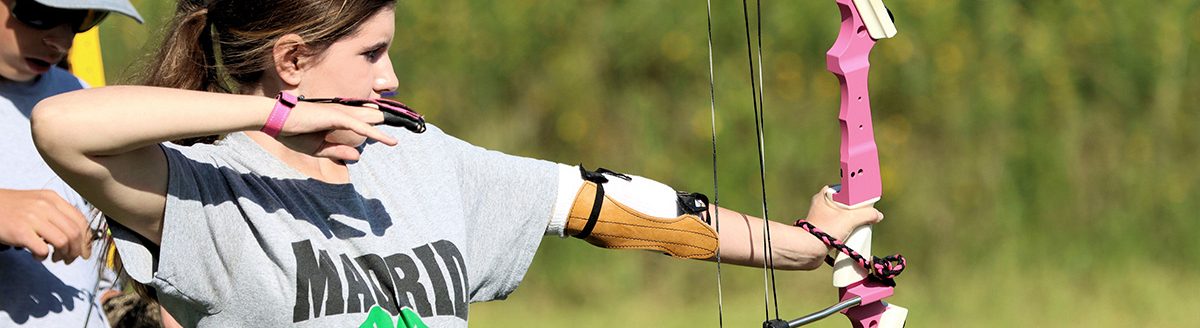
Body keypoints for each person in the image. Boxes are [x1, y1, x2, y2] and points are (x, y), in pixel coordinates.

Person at [31, 0, 885, 326]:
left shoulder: (421, 158)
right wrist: (276, 115)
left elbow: (601, 204)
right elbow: (64, 128)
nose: (391, 76)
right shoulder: (210, 193)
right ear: (291, 61)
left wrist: (797, 244)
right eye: (369, 55)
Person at [0, 0, 142, 327]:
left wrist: (112, 300)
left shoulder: (78, 97)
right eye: (42, 14)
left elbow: (87, 254)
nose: (62, 42)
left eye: (82, 19)